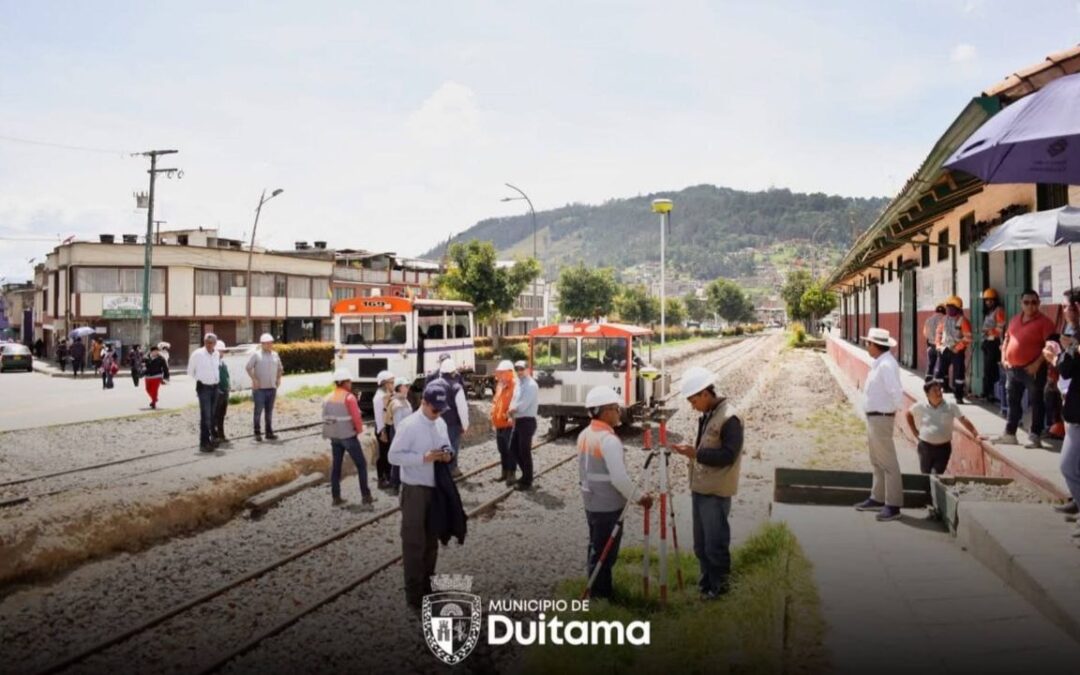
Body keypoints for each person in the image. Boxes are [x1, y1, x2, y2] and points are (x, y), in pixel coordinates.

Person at [671, 366, 744, 598]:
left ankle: (720, 590)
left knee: (715, 545)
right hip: (701, 488)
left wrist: (695, 454)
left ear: (705, 393)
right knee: (701, 546)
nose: (693, 407)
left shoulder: (730, 418)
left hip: (716, 492)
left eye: (694, 401)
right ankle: (706, 585)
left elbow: (727, 456)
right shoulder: (709, 415)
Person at [579, 386, 652, 600]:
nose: (619, 412)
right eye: (616, 408)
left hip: (591, 501)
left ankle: (595, 587)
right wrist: (640, 498)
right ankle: (600, 595)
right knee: (605, 553)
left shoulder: (585, 434)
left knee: (595, 546)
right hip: (607, 505)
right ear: (604, 411)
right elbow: (619, 479)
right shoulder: (608, 441)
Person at [388, 379, 456, 608]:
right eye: (435, 409)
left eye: (441, 410)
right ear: (424, 403)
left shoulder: (440, 423)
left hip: (436, 488)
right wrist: (422, 458)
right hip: (415, 489)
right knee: (413, 542)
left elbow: (448, 445)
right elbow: (393, 457)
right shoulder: (409, 425)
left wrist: (447, 454)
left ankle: (428, 585)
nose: (438, 413)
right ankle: (414, 593)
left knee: (431, 541)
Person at [854, 327, 905, 522]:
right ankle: (877, 497)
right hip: (875, 416)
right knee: (877, 461)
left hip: (882, 417)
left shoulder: (886, 366)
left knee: (888, 463)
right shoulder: (880, 363)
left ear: (876, 345)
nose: (867, 346)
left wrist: (893, 411)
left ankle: (893, 505)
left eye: (869, 343)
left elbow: (895, 391)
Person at [997, 289, 1056, 448]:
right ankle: (1010, 434)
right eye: (1027, 302)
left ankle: (1035, 436)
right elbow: (1007, 340)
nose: (1030, 306)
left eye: (1034, 302)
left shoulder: (1045, 322)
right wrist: (1004, 358)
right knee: (1013, 402)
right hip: (1012, 369)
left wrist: (1036, 364)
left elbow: (1050, 347)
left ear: (1039, 303)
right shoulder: (1015, 320)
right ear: (1020, 303)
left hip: (1033, 370)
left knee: (1037, 402)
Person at [906, 380, 981, 475]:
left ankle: (933, 489)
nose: (939, 393)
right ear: (927, 394)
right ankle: (928, 490)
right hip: (925, 447)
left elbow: (963, 419)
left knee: (935, 475)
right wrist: (915, 432)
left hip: (943, 449)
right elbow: (908, 414)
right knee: (925, 475)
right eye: (935, 390)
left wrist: (976, 434)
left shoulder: (950, 406)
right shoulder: (921, 405)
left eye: (940, 390)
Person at [323, 368, 374, 506]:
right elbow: (356, 418)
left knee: (336, 467)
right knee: (361, 465)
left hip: (335, 437)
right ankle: (366, 496)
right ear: (344, 383)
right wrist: (358, 430)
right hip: (348, 437)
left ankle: (336, 497)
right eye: (349, 381)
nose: (351, 384)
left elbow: (326, 419)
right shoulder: (349, 398)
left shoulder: (327, 398)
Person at [1052, 300, 1080, 537]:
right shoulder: (1073, 333)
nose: (1068, 311)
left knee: (1070, 465)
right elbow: (1065, 368)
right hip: (1075, 409)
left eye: (1071, 307)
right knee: (1070, 466)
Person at [934, 295, 972, 404]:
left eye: (952, 307)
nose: (949, 309)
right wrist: (938, 345)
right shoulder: (944, 319)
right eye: (948, 307)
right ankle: (937, 394)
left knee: (958, 374)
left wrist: (957, 347)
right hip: (944, 349)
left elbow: (968, 337)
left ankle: (958, 396)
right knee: (939, 373)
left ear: (958, 308)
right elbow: (939, 333)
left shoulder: (963, 321)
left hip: (957, 351)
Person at [246, 333, 283, 442]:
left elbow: (280, 368)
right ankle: (257, 433)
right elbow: (248, 368)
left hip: (272, 387)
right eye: (267, 343)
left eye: (271, 343)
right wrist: (254, 379)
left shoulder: (275, 355)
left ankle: (269, 432)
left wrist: (278, 379)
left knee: (269, 411)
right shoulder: (256, 355)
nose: (270, 345)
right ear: (262, 344)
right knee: (258, 411)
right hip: (259, 389)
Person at [508, 360, 539, 490]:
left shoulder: (531, 385)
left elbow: (523, 405)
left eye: (522, 369)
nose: (519, 371)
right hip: (519, 420)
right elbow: (514, 399)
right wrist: (511, 412)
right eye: (517, 369)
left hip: (527, 421)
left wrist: (511, 411)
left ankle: (527, 480)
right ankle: (526, 475)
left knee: (524, 451)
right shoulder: (518, 383)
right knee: (513, 448)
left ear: (527, 369)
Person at [188, 333, 221, 452]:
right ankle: (204, 443)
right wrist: (202, 379)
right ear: (204, 342)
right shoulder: (198, 354)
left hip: (215, 387)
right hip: (204, 388)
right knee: (205, 416)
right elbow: (190, 371)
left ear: (215, 343)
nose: (209, 344)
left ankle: (212, 439)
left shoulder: (216, 354)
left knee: (212, 415)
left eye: (212, 342)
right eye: (207, 342)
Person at [437, 359, 470, 478]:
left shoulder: (434, 384)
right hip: (452, 423)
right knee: (452, 446)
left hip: (436, 422)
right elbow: (462, 408)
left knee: (438, 446)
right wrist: (465, 425)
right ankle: (452, 469)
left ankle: (439, 471)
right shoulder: (456, 387)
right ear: (453, 372)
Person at [490, 359, 517, 486]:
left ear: (510, 373)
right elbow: (496, 402)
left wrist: (508, 415)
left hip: (509, 424)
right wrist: (493, 416)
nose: (500, 376)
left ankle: (511, 474)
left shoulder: (516, 386)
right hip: (499, 423)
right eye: (499, 373)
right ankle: (504, 472)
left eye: (502, 373)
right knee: (502, 449)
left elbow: (516, 404)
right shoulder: (500, 385)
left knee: (510, 450)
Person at [980, 289, 1007, 401]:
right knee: (987, 369)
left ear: (995, 301)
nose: (988, 303)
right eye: (986, 301)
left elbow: (1000, 328)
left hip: (994, 343)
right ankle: (987, 392)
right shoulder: (988, 312)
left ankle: (990, 393)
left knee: (990, 369)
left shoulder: (998, 311)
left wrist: (988, 332)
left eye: (990, 301)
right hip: (987, 342)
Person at [372, 370, 395, 489]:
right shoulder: (379, 398)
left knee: (387, 453)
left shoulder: (386, 395)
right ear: (385, 383)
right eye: (392, 382)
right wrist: (382, 432)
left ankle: (388, 476)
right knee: (383, 454)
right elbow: (379, 417)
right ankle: (381, 479)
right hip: (382, 429)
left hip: (387, 427)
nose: (393, 384)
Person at [213, 340, 230, 444]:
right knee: (215, 415)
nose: (222, 353)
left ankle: (221, 434)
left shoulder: (223, 363)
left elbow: (226, 376)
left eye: (223, 351)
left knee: (222, 415)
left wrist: (228, 385)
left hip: (225, 392)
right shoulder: (213, 363)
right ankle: (214, 436)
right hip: (217, 392)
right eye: (220, 351)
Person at [924, 305, 946, 382]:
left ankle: (928, 380)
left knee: (931, 364)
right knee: (941, 365)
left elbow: (925, 333)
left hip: (930, 345)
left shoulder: (928, 320)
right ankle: (941, 384)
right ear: (944, 312)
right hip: (940, 346)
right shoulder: (944, 319)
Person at [143, 344, 169, 409]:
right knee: (148, 389)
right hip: (148, 376)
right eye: (154, 351)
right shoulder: (146, 358)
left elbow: (165, 368)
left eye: (157, 351)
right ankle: (154, 399)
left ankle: (153, 402)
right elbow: (143, 366)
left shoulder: (161, 359)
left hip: (157, 376)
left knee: (154, 390)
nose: (156, 352)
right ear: (151, 351)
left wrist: (166, 376)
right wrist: (142, 372)